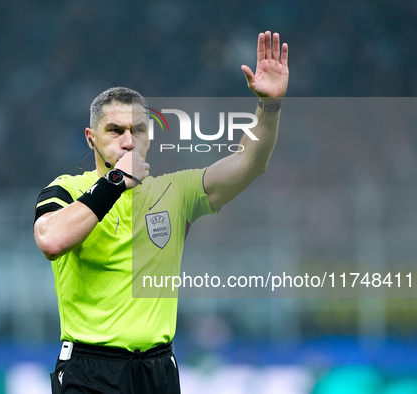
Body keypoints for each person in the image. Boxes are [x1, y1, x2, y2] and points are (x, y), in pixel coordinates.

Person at [34, 31, 289, 393]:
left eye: (138, 130)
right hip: (90, 371)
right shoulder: (67, 190)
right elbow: (51, 240)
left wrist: (269, 107)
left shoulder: (175, 191)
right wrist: (116, 181)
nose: (128, 140)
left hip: (157, 370)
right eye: (115, 130)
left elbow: (250, 162)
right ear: (91, 138)